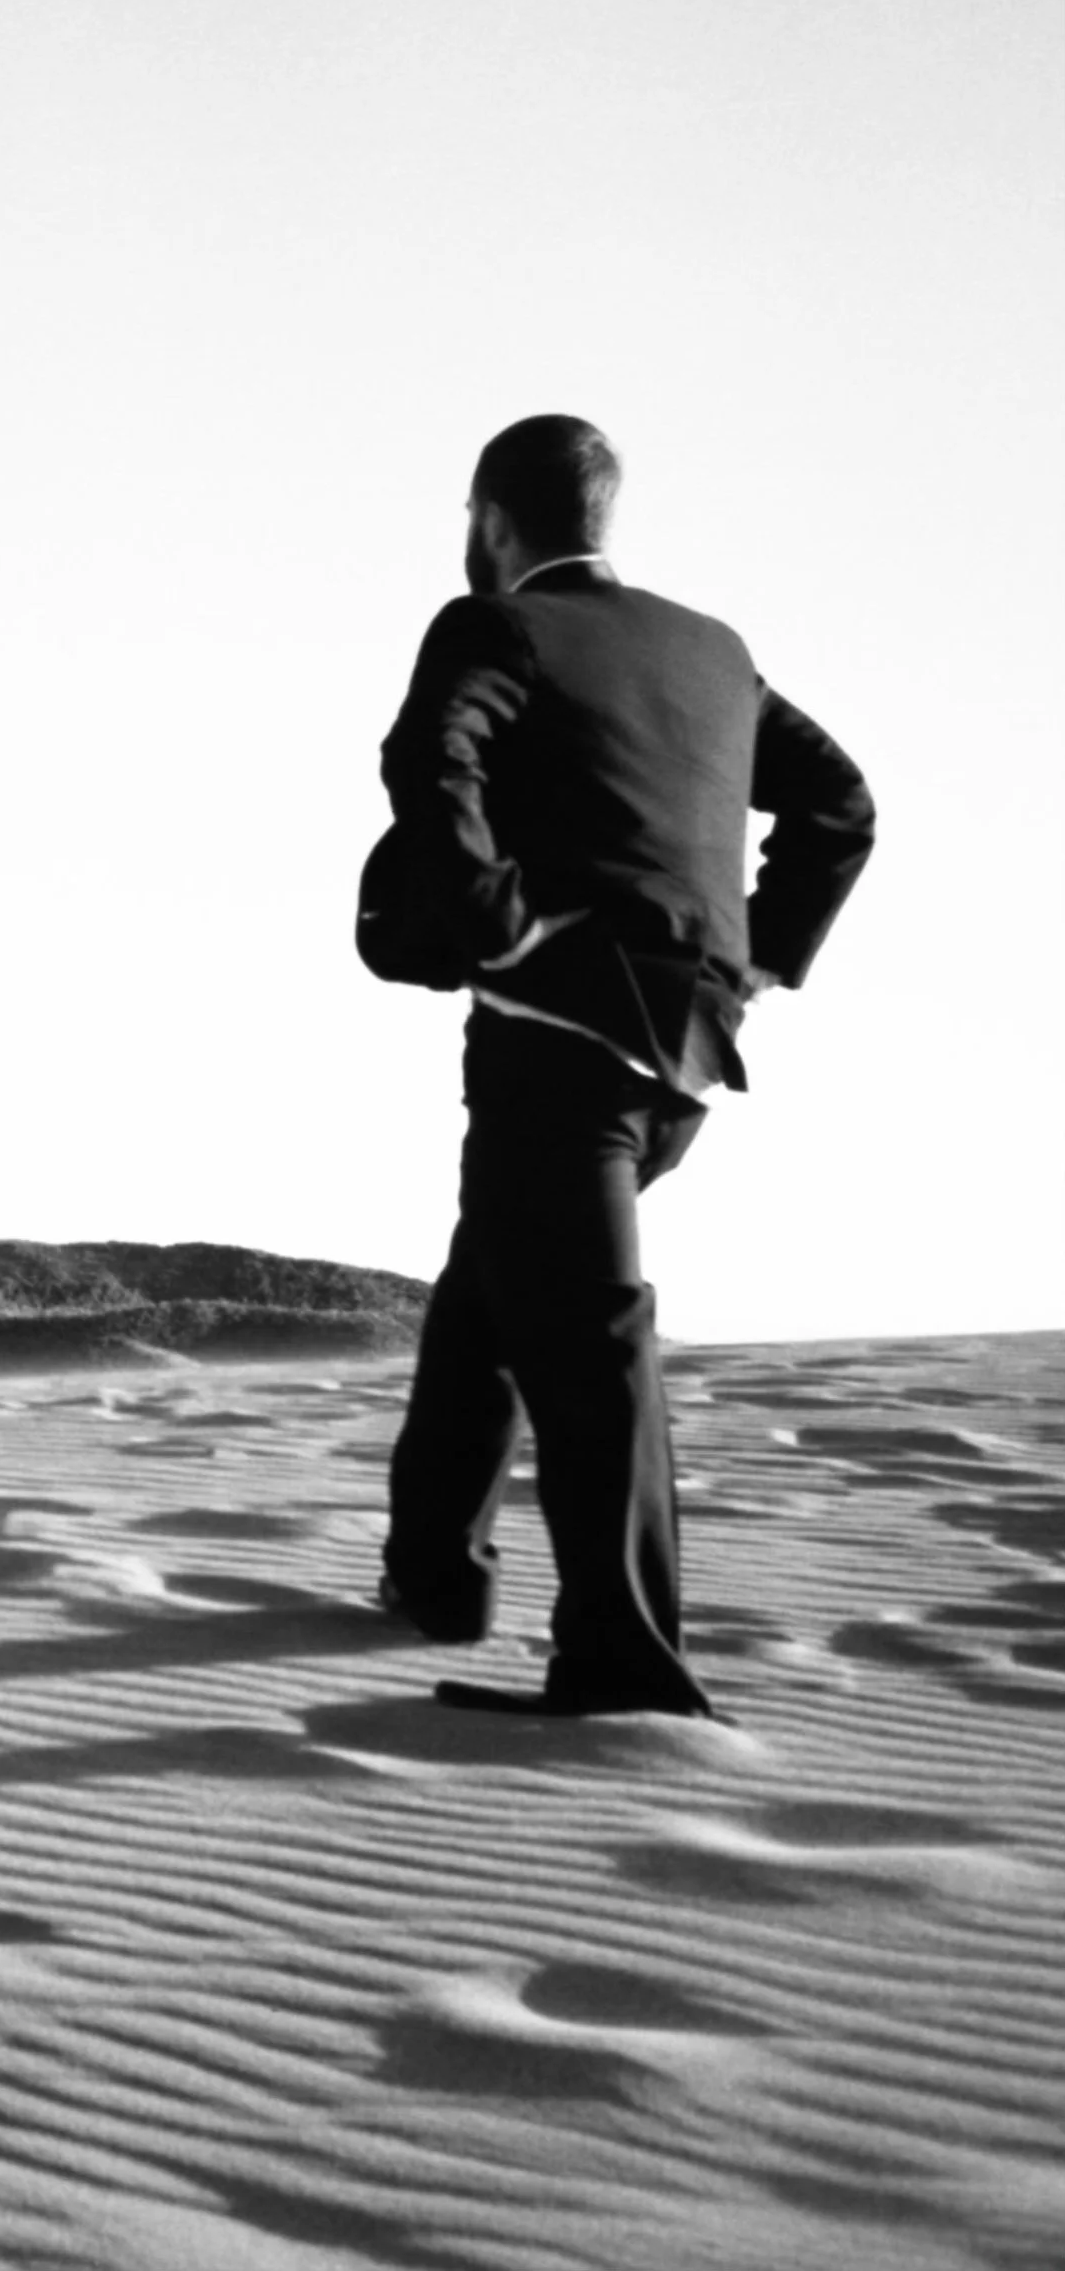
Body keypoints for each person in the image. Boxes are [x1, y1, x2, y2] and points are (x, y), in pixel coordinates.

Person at [367, 416, 874, 1717]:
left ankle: (625, 1671)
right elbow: (842, 805)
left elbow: (429, 754)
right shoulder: (713, 652)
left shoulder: (496, 627)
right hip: (686, 1063)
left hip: (561, 1043)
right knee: (495, 1284)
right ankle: (433, 1575)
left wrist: (496, 926)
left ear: (491, 520)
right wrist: (760, 957)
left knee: (592, 1341)